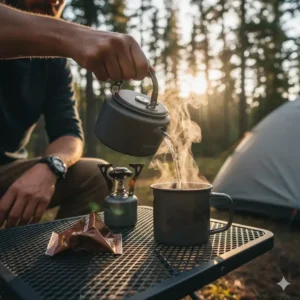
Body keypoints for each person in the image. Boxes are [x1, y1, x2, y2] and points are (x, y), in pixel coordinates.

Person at [0, 0, 151, 229]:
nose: (57, 1)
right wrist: (71, 36)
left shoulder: (54, 62)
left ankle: (49, 258)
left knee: (98, 176)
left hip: (7, 176)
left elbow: (68, 133)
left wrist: (51, 166)